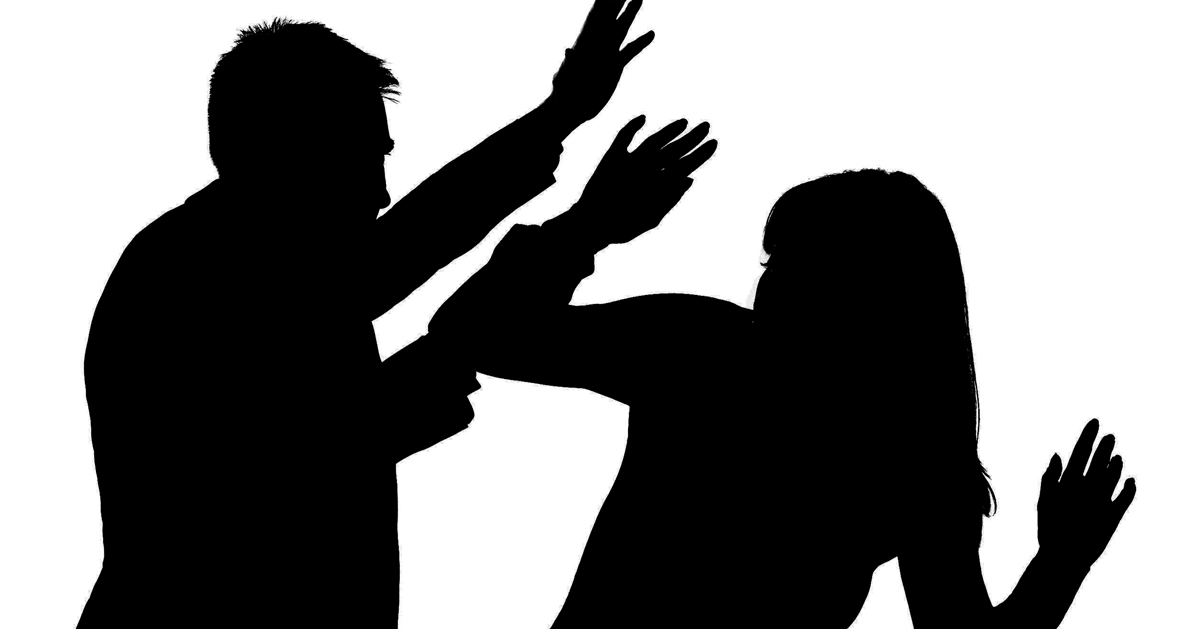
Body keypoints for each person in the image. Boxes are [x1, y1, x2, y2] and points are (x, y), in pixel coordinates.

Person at [79, 1, 656, 626]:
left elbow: (409, 272)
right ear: (287, 154)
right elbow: (315, 450)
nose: (381, 193)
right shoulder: (197, 276)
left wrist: (568, 155)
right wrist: (573, 200)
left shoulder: (247, 270)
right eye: (361, 159)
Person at [430, 123, 1138, 627]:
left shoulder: (700, 351)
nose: (769, 283)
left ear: (867, 290)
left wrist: (587, 227)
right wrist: (1060, 566)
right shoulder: (912, 461)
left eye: (794, 263)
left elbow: (471, 330)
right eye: (772, 261)